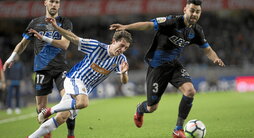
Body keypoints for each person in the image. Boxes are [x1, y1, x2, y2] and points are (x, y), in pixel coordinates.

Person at [110, 0, 225, 138]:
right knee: (151, 107)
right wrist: (126, 26)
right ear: (185, 10)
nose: (194, 14)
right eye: (192, 10)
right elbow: (148, 25)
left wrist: (215, 58)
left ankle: (178, 129)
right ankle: (140, 109)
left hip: (174, 65)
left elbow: (207, 49)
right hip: (157, 67)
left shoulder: (196, 31)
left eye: (197, 11)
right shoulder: (171, 21)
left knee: (190, 91)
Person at [27, 17, 132, 138]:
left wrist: (124, 73)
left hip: (84, 89)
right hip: (74, 79)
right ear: (114, 41)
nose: (122, 50)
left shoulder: (121, 60)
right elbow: (73, 38)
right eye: (122, 45)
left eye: (126, 48)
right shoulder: (96, 46)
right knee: (83, 102)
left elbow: (124, 82)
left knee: (61, 118)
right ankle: (49, 111)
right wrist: (56, 27)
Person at [3, 0, 76, 137]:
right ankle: (46, 135)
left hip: (61, 68)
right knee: (41, 109)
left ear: (59, 5)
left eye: (57, 2)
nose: (54, 4)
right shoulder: (35, 23)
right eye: (51, 1)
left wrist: (43, 37)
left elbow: (64, 45)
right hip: (42, 69)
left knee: (69, 102)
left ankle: (70, 133)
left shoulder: (65, 22)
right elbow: (23, 43)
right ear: (45, 3)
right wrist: (11, 57)